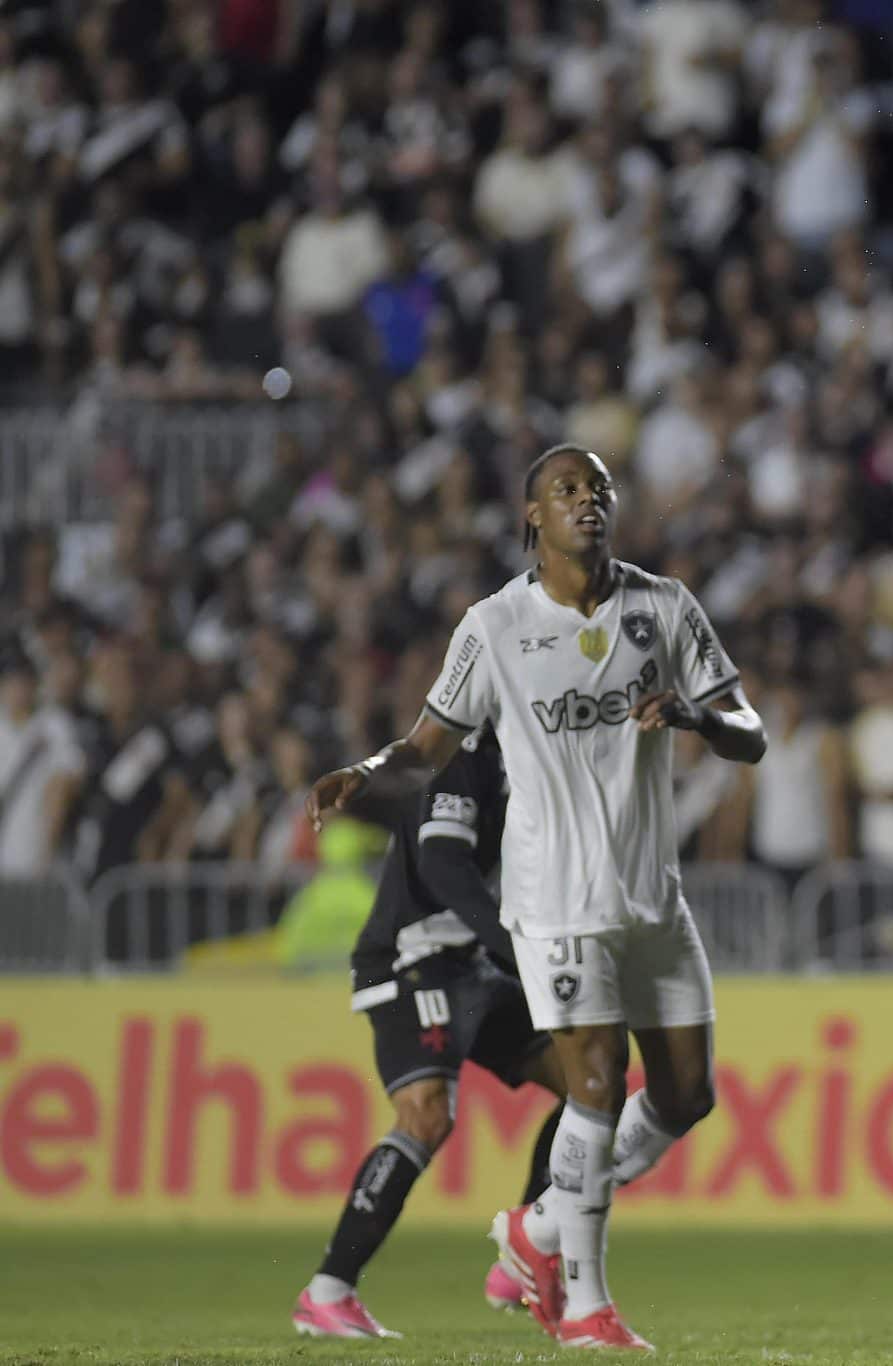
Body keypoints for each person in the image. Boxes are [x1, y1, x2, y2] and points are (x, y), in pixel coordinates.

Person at [307, 445, 767, 1351]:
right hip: (553, 900)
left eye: (598, 488)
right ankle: (586, 1309)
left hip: (651, 898)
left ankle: (538, 1228)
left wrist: (696, 717)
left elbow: (749, 734)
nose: (586, 501)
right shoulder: (493, 626)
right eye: (566, 490)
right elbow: (426, 746)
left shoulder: (664, 606)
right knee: (594, 1089)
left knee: (686, 1098)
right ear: (532, 518)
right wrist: (363, 774)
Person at [292, 725, 568, 1340]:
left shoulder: (534, 755)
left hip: (470, 958)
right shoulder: (467, 756)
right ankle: (328, 1290)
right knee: (426, 1117)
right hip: (411, 957)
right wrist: (512, 947)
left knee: (586, 1081)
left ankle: (525, 1246)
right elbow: (443, 865)